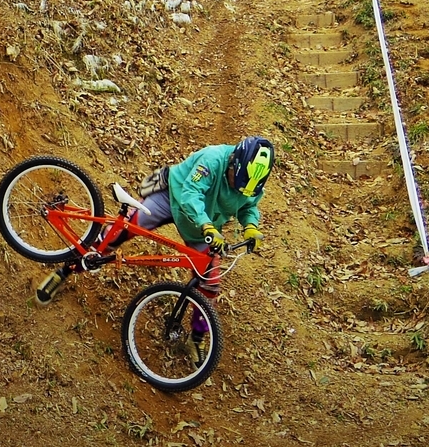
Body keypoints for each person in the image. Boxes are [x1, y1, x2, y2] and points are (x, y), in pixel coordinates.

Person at [36, 136, 275, 361]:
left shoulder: (252, 183)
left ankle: (196, 338)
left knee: (209, 285)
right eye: (235, 180)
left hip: (203, 224)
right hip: (172, 198)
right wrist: (207, 226)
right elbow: (191, 194)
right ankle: (66, 270)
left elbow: (248, 206)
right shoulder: (212, 159)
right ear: (234, 161)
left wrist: (251, 226)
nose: (236, 188)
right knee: (119, 232)